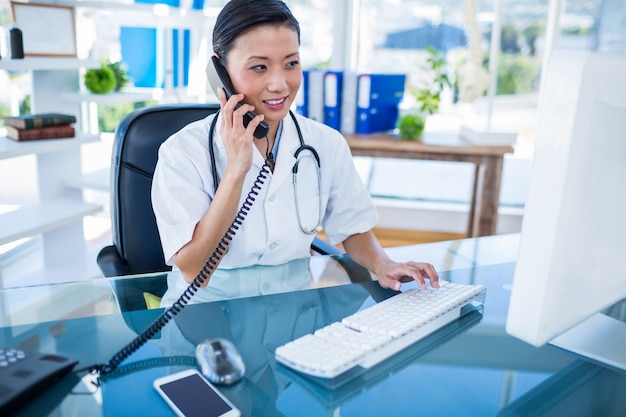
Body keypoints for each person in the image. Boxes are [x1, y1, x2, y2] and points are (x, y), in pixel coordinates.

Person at [151, 0, 439, 295]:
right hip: (203, 315)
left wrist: (383, 264)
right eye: (259, 67)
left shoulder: (325, 143)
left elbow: (353, 227)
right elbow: (193, 268)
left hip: (292, 308)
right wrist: (236, 170)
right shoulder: (182, 152)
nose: (279, 84)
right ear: (219, 71)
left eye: (291, 63)